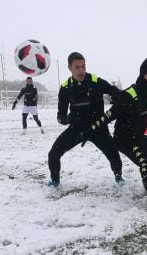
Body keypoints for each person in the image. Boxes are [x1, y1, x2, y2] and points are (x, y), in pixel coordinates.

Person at [80, 58, 147, 210]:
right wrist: (90, 131)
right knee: (146, 161)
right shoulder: (129, 94)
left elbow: (144, 115)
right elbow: (109, 115)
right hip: (124, 139)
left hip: (137, 136)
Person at [47, 52, 123, 187]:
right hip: (77, 129)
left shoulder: (95, 81)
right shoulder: (65, 88)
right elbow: (61, 116)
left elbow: (115, 92)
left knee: (113, 154)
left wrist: (115, 100)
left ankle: (118, 177)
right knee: (53, 154)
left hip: (98, 127)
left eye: (83, 66)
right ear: (70, 68)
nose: (81, 70)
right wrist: (67, 119)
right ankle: (55, 181)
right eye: (77, 67)